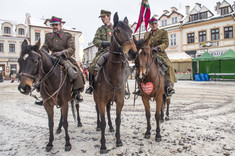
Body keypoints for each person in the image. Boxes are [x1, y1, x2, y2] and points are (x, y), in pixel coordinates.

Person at [40, 16, 85, 102]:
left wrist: (62, 53)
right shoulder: (48, 36)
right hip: (52, 58)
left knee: (74, 71)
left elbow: (71, 48)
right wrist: (42, 52)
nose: (54, 27)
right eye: (53, 25)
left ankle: (76, 92)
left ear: (60, 25)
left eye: (56, 25)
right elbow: (45, 47)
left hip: (64, 58)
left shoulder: (67, 35)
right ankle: (42, 95)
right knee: (41, 70)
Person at [133, 17, 177, 97]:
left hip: (160, 54)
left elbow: (166, 43)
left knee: (169, 66)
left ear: (157, 24)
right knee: (139, 67)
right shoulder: (146, 34)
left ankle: (169, 87)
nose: (154, 25)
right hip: (149, 54)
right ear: (149, 25)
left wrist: (158, 48)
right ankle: (139, 88)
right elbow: (144, 44)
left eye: (155, 23)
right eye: (152, 24)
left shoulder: (163, 32)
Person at [85, 10, 112, 94]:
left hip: (115, 51)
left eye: (104, 17)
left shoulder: (115, 28)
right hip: (103, 52)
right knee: (93, 65)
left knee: (124, 64)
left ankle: (124, 87)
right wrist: (102, 43)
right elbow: (95, 41)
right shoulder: (100, 30)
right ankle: (91, 85)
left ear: (109, 17)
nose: (102, 19)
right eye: (101, 17)